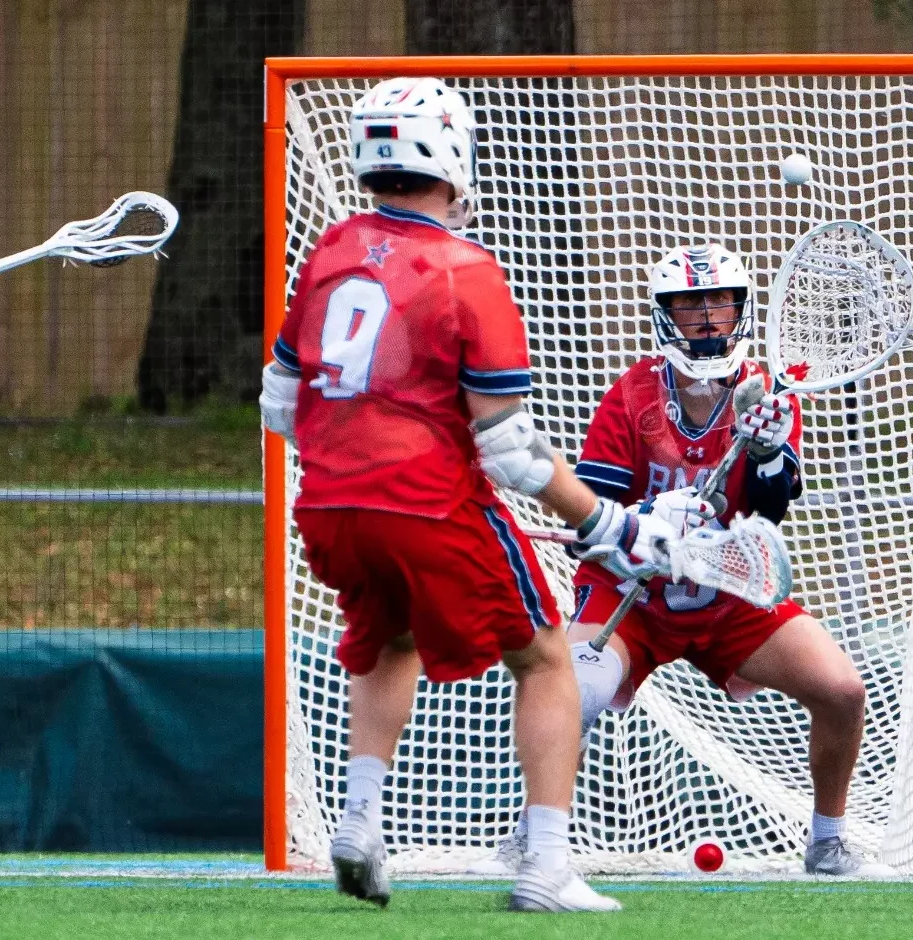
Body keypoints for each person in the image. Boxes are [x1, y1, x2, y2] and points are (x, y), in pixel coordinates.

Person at [258, 77, 677, 914]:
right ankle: (546, 866)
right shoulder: (464, 268)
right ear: (449, 153)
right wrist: (603, 520)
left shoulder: (331, 248)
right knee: (547, 658)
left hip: (328, 504)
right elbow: (512, 449)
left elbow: (279, 403)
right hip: (426, 505)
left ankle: (358, 822)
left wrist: (359, 468)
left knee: (391, 638)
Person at [475, 244, 879, 876]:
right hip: (633, 599)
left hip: (729, 597)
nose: (708, 317)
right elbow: (589, 521)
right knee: (571, 692)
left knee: (842, 691)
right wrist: (650, 520)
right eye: (691, 302)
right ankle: (535, 833)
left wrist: (769, 452)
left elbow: (770, 512)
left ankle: (828, 840)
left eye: (720, 300)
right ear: (667, 313)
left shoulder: (769, 397)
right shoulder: (631, 397)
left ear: (740, 309)